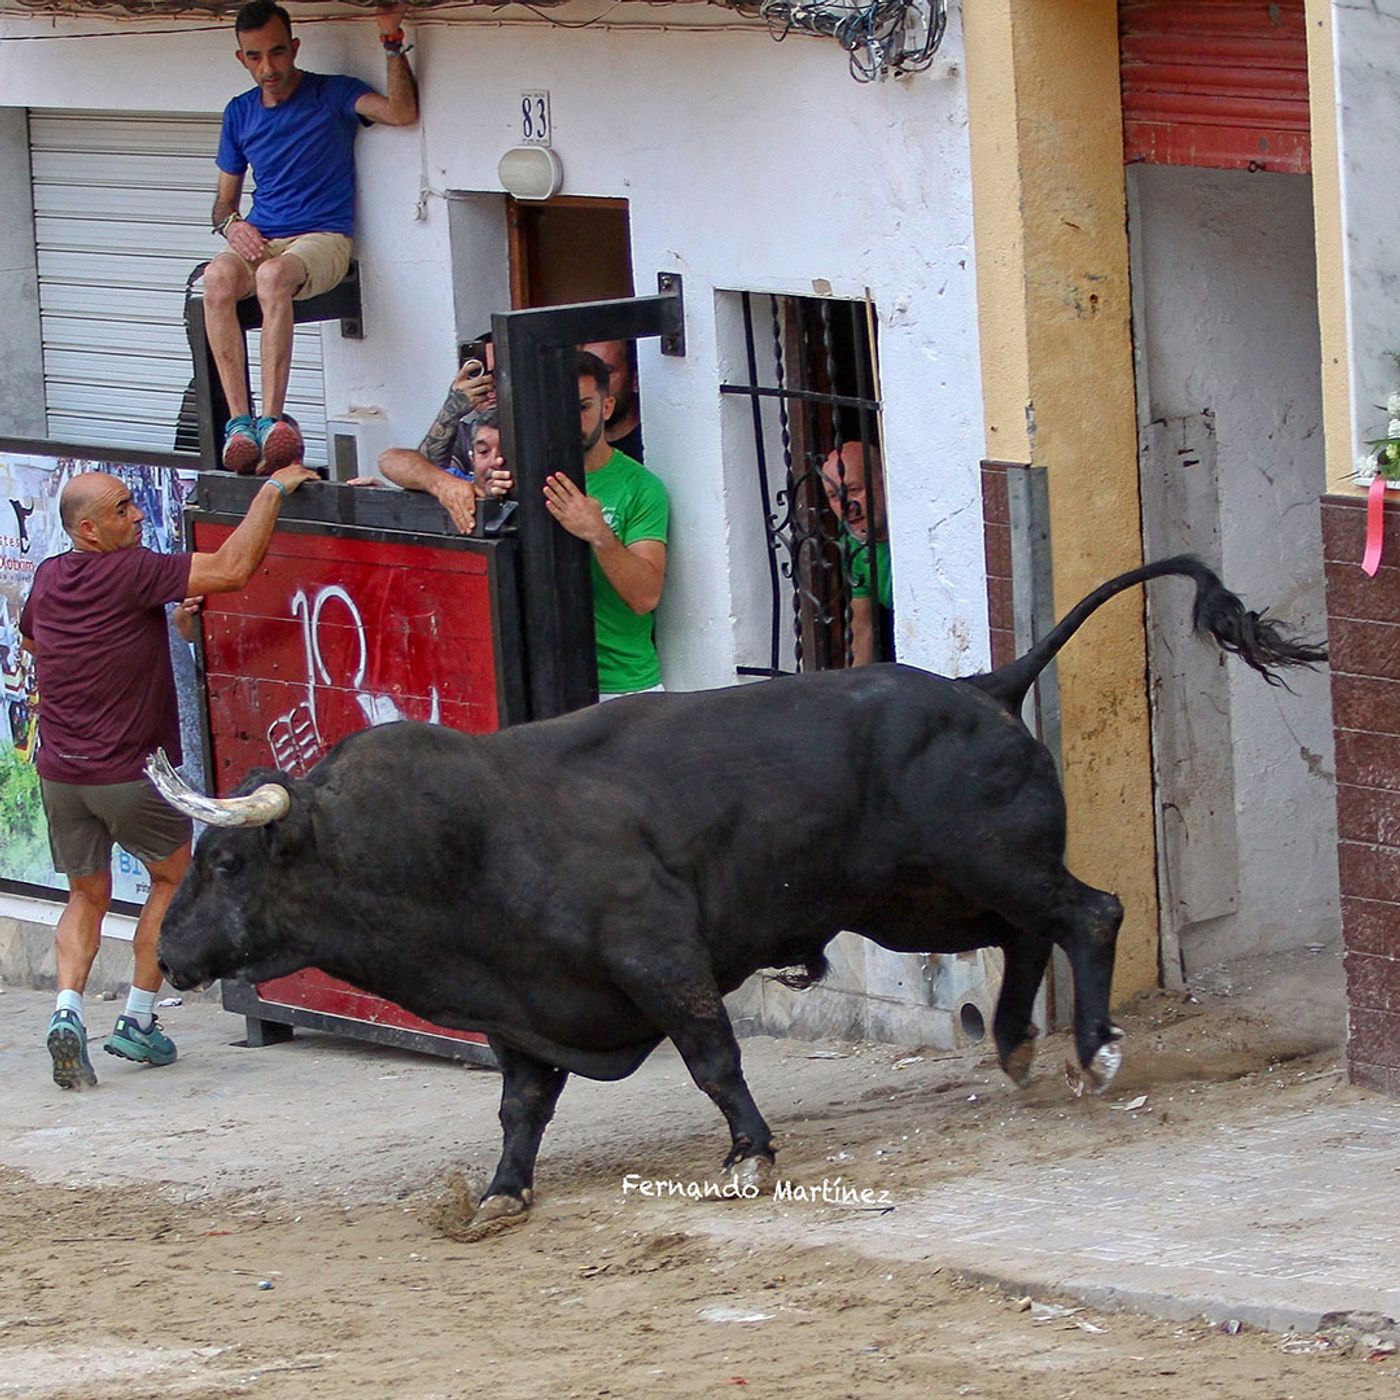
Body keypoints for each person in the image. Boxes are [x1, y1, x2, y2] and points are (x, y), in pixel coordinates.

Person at [21, 464, 319, 1089]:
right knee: (173, 880)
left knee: (86, 896)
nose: (137, 516)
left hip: (60, 773)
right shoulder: (130, 572)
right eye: (123, 510)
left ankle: (67, 1013)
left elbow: (33, 643)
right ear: (88, 530)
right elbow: (234, 568)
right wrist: (273, 489)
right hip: (128, 772)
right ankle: (137, 1019)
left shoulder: (50, 577)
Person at [202, 0, 418, 475]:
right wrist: (233, 225)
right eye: (255, 57)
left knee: (274, 277)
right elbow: (222, 203)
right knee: (216, 279)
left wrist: (391, 39)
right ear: (241, 58)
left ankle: (273, 421)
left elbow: (401, 112)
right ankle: (241, 424)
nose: (268, 67)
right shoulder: (239, 113)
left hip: (323, 239)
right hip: (266, 236)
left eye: (277, 53)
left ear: (294, 48)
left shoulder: (330, 93)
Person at [543, 351, 668, 698]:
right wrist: (447, 487)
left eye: (583, 407)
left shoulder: (640, 486)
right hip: (543, 686)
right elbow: (393, 461)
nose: (570, 418)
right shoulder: (522, 474)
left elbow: (645, 596)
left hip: (623, 688)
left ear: (607, 407)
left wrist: (599, 533)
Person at [376, 353, 512, 532]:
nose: (495, 461)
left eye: (497, 374)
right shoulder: (466, 440)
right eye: (483, 451)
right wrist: (444, 485)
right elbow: (391, 460)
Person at [819, 440, 892, 666]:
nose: (845, 504)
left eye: (853, 490)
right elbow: (863, 628)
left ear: (884, 482)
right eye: (833, 495)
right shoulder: (852, 543)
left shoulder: (914, 535)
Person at [580, 339, 644, 462]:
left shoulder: (654, 444)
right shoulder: (568, 446)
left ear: (635, 378)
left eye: (606, 372)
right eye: (586, 373)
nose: (594, 384)